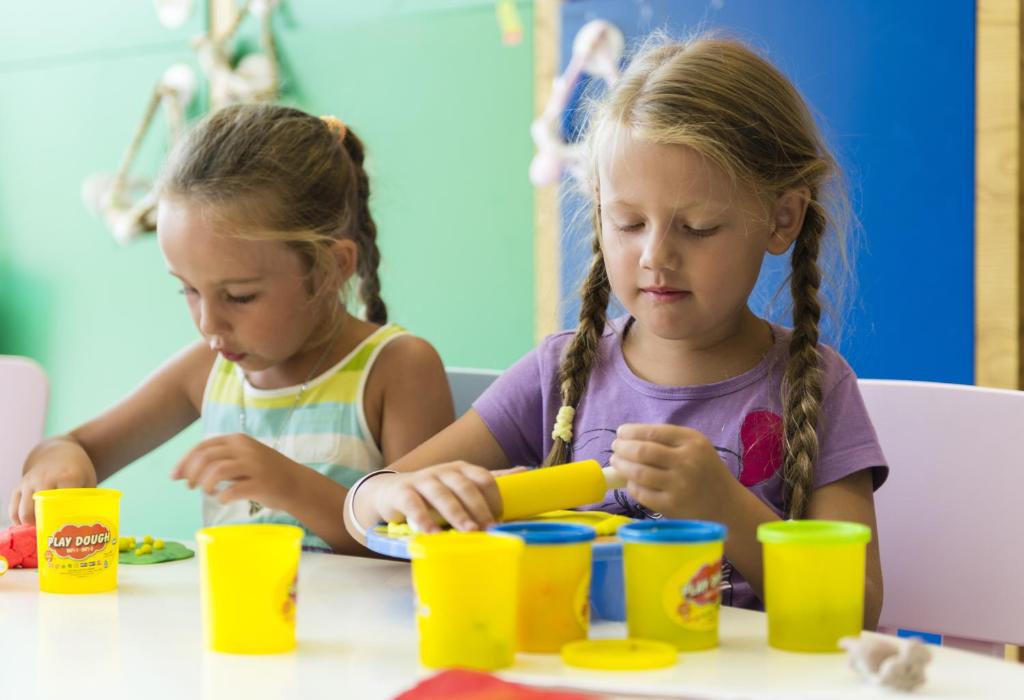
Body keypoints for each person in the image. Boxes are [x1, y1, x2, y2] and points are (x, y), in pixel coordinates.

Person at [345, 36, 887, 624]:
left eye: (698, 228)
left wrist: (725, 507)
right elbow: (367, 504)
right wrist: (392, 494)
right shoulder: (560, 373)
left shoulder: (816, 386)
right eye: (628, 223)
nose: (655, 256)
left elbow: (854, 608)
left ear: (782, 219)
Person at [11, 104, 452, 553]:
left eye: (240, 296)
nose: (208, 324)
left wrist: (290, 485)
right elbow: (76, 445)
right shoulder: (206, 370)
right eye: (188, 289)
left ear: (332, 268)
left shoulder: (398, 369)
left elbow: (421, 541)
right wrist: (59, 462)